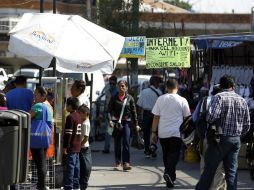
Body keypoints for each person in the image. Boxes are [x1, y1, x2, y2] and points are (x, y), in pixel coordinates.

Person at [195, 75, 250, 190]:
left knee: (209, 169)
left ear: (221, 85)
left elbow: (211, 117)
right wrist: (238, 135)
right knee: (232, 172)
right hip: (235, 139)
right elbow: (247, 125)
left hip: (220, 139)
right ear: (233, 86)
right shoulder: (242, 100)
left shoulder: (219, 97)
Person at [151, 78, 191, 188]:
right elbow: (188, 118)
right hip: (176, 133)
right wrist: (187, 133)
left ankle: (170, 177)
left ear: (166, 88)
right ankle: (168, 173)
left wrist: (153, 133)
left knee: (166, 154)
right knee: (174, 155)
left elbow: (156, 117)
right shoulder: (182, 100)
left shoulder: (160, 99)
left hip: (163, 132)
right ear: (177, 87)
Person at [192, 84, 226, 190]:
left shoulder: (204, 100)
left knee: (204, 164)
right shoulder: (227, 101)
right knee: (219, 167)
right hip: (222, 138)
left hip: (206, 138)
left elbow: (194, 118)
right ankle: (216, 188)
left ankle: (205, 186)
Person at [108, 80, 140, 171]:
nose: (121, 88)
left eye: (123, 86)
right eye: (119, 86)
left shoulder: (130, 98)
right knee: (117, 143)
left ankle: (126, 163)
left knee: (126, 142)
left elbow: (134, 113)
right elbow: (109, 111)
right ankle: (118, 163)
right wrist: (110, 120)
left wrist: (136, 124)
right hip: (116, 123)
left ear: (126, 87)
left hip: (126, 123)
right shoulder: (113, 98)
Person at [30, 87, 53, 190]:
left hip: (36, 139)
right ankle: (41, 185)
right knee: (42, 161)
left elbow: (27, 116)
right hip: (45, 138)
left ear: (42, 96)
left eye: (36, 94)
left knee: (40, 163)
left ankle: (41, 186)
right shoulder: (48, 107)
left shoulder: (38, 106)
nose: (34, 96)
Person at [137, 76, 162, 158]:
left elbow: (139, 105)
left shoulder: (144, 92)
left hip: (146, 114)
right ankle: (153, 148)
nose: (159, 84)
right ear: (155, 83)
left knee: (146, 133)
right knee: (154, 132)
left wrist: (140, 115)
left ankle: (147, 150)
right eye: (158, 83)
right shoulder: (159, 92)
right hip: (156, 115)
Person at [63, 97, 82, 190]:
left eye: (66, 105)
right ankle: (76, 185)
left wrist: (65, 146)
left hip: (71, 146)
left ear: (70, 106)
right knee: (76, 167)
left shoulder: (70, 117)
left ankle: (68, 186)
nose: (66, 107)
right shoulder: (78, 116)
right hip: (78, 146)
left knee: (70, 167)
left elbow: (68, 133)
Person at [78, 105, 92, 190]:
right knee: (82, 167)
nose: (78, 115)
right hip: (82, 147)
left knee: (85, 167)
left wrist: (79, 146)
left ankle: (83, 185)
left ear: (85, 114)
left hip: (84, 148)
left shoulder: (85, 123)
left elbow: (86, 137)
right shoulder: (84, 120)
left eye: (80, 113)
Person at [103, 75, 118, 154]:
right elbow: (106, 102)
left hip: (115, 114)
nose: (111, 85)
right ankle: (106, 148)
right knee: (109, 131)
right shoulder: (108, 90)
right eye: (110, 83)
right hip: (108, 113)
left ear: (115, 83)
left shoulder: (118, 91)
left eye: (113, 84)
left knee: (112, 131)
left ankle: (109, 148)